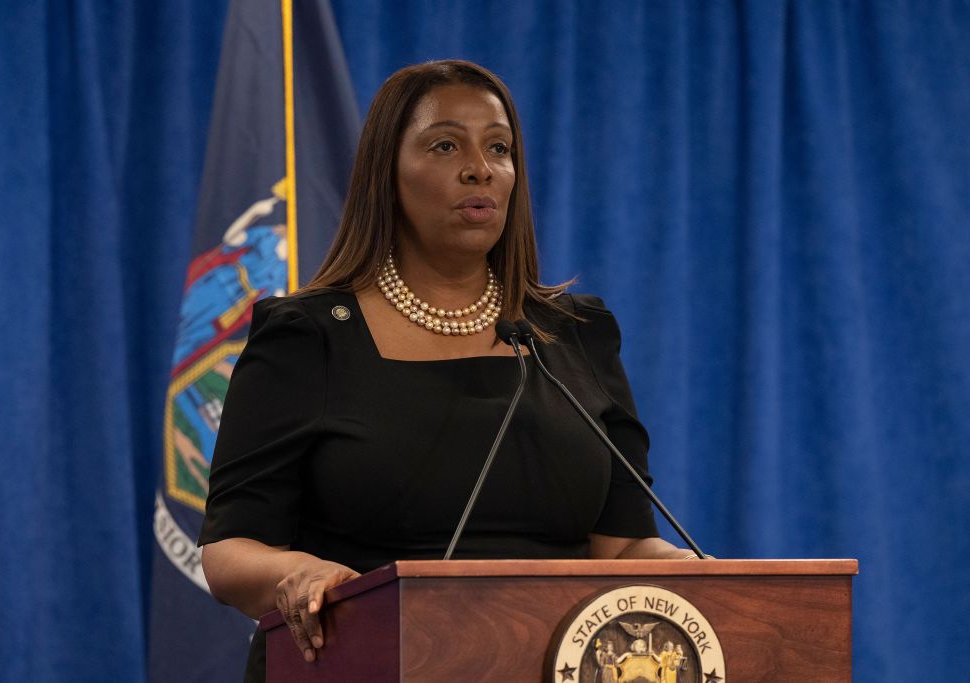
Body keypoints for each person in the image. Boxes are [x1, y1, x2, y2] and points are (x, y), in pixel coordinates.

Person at [198, 59, 696, 682]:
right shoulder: (308, 337)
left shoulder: (573, 333)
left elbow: (621, 546)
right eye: (444, 145)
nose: (479, 168)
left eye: (499, 148)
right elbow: (228, 550)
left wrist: (699, 579)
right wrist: (295, 573)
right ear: (388, 171)